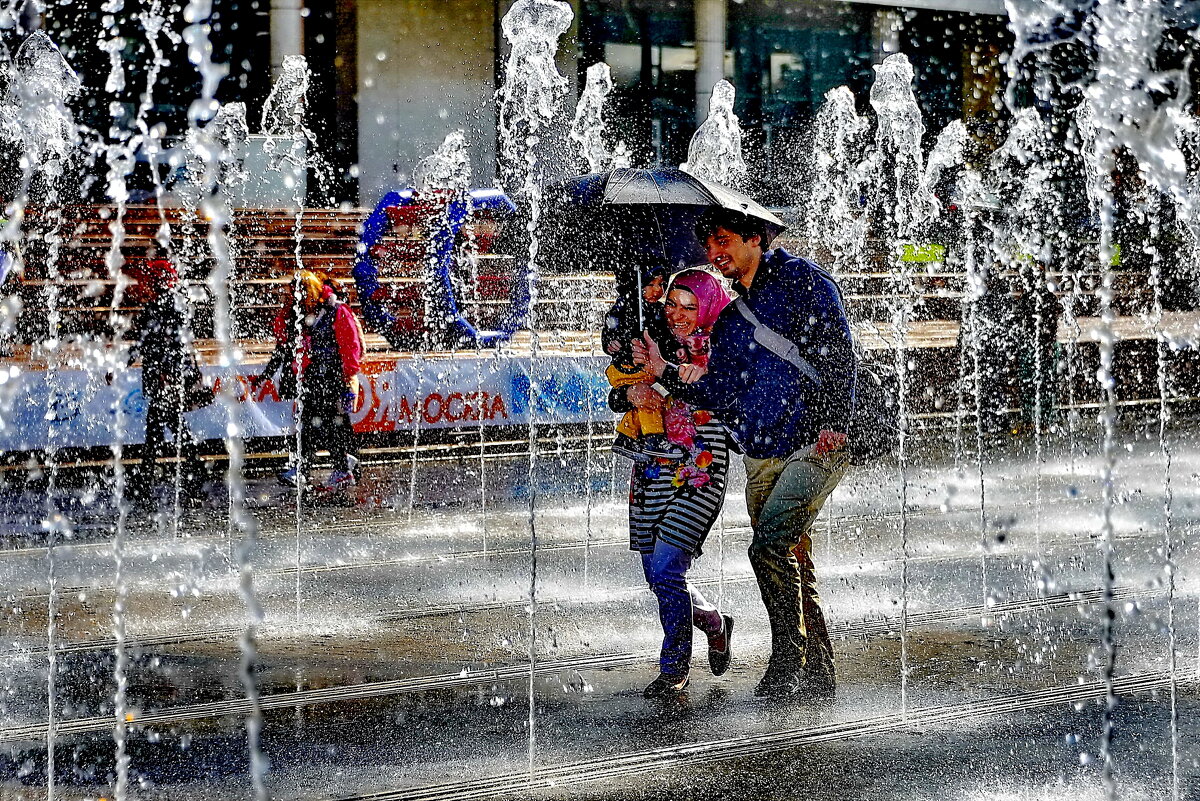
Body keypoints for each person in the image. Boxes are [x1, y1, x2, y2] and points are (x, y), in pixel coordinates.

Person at [634, 208, 856, 699]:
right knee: (792, 556)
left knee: (768, 547)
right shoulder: (733, 320)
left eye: (724, 240)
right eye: (710, 244)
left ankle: (785, 660)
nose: (716, 252)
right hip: (762, 451)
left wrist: (837, 422)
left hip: (815, 443)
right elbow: (720, 390)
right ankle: (819, 668)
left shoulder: (803, 281)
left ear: (755, 237)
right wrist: (664, 372)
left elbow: (839, 351)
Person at [613, 268, 735, 698]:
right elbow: (616, 390)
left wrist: (663, 373)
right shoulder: (651, 339)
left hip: (700, 469)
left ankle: (674, 668)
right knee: (658, 575)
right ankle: (713, 621)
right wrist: (630, 392)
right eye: (671, 304)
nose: (678, 315)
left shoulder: (726, 346)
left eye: (689, 306)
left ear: (708, 306)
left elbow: (712, 395)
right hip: (649, 468)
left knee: (667, 569)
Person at [259, 271, 364, 493]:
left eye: (302, 292)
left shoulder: (335, 311)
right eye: (294, 293)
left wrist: (348, 377)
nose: (297, 297)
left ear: (313, 291)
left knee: (326, 424)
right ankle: (327, 466)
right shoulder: (298, 315)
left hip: (332, 376)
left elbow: (350, 345)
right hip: (312, 376)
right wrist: (269, 373)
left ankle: (332, 467)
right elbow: (284, 345)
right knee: (314, 423)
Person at [125, 258, 209, 508]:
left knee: (161, 432)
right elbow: (145, 340)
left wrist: (166, 371)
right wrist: (123, 364)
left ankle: (148, 482)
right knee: (169, 431)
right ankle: (192, 477)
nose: (147, 283)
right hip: (164, 377)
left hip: (167, 379)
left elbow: (174, 342)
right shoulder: (167, 303)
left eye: (152, 279)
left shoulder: (170, 304)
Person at [602, 263, 687, 461]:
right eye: (650, 284)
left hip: (651, 370)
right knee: (649, 399)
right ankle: (654, 438)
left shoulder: (658, 311)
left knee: (651, 397)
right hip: (631, 369)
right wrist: (617, 344)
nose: (657, 290)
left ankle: (627, 436)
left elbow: (665, 338)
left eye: (662, 284)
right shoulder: (626, 308)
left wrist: (675, 350)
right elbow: (611, 333)